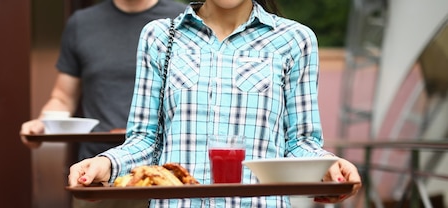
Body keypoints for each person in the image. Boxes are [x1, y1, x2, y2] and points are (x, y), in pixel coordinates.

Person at [67, 0, 362, 207]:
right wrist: (104, 164)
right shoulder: (159, 37)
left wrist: (330, 166)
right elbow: (145, 141)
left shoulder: (295, 41)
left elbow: (300, 143)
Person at [19, 0, 186, 207]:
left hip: (162, 179)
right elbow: (63, 97)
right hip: (94, 177)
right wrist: (44, 124)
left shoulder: (182, 18)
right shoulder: (82, 23)